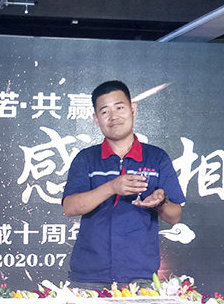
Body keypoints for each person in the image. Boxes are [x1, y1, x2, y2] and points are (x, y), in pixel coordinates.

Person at [62, 80, 185, 289]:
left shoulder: (157, 158)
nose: (113, 117)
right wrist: (112, 187)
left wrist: (161, 202)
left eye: (119, 108)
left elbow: (174, 217)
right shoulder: (86, 158)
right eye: (105, 111)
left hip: (140, 277)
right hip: (88, 277)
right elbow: (70, 207)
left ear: (133, 109)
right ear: (96, 119)